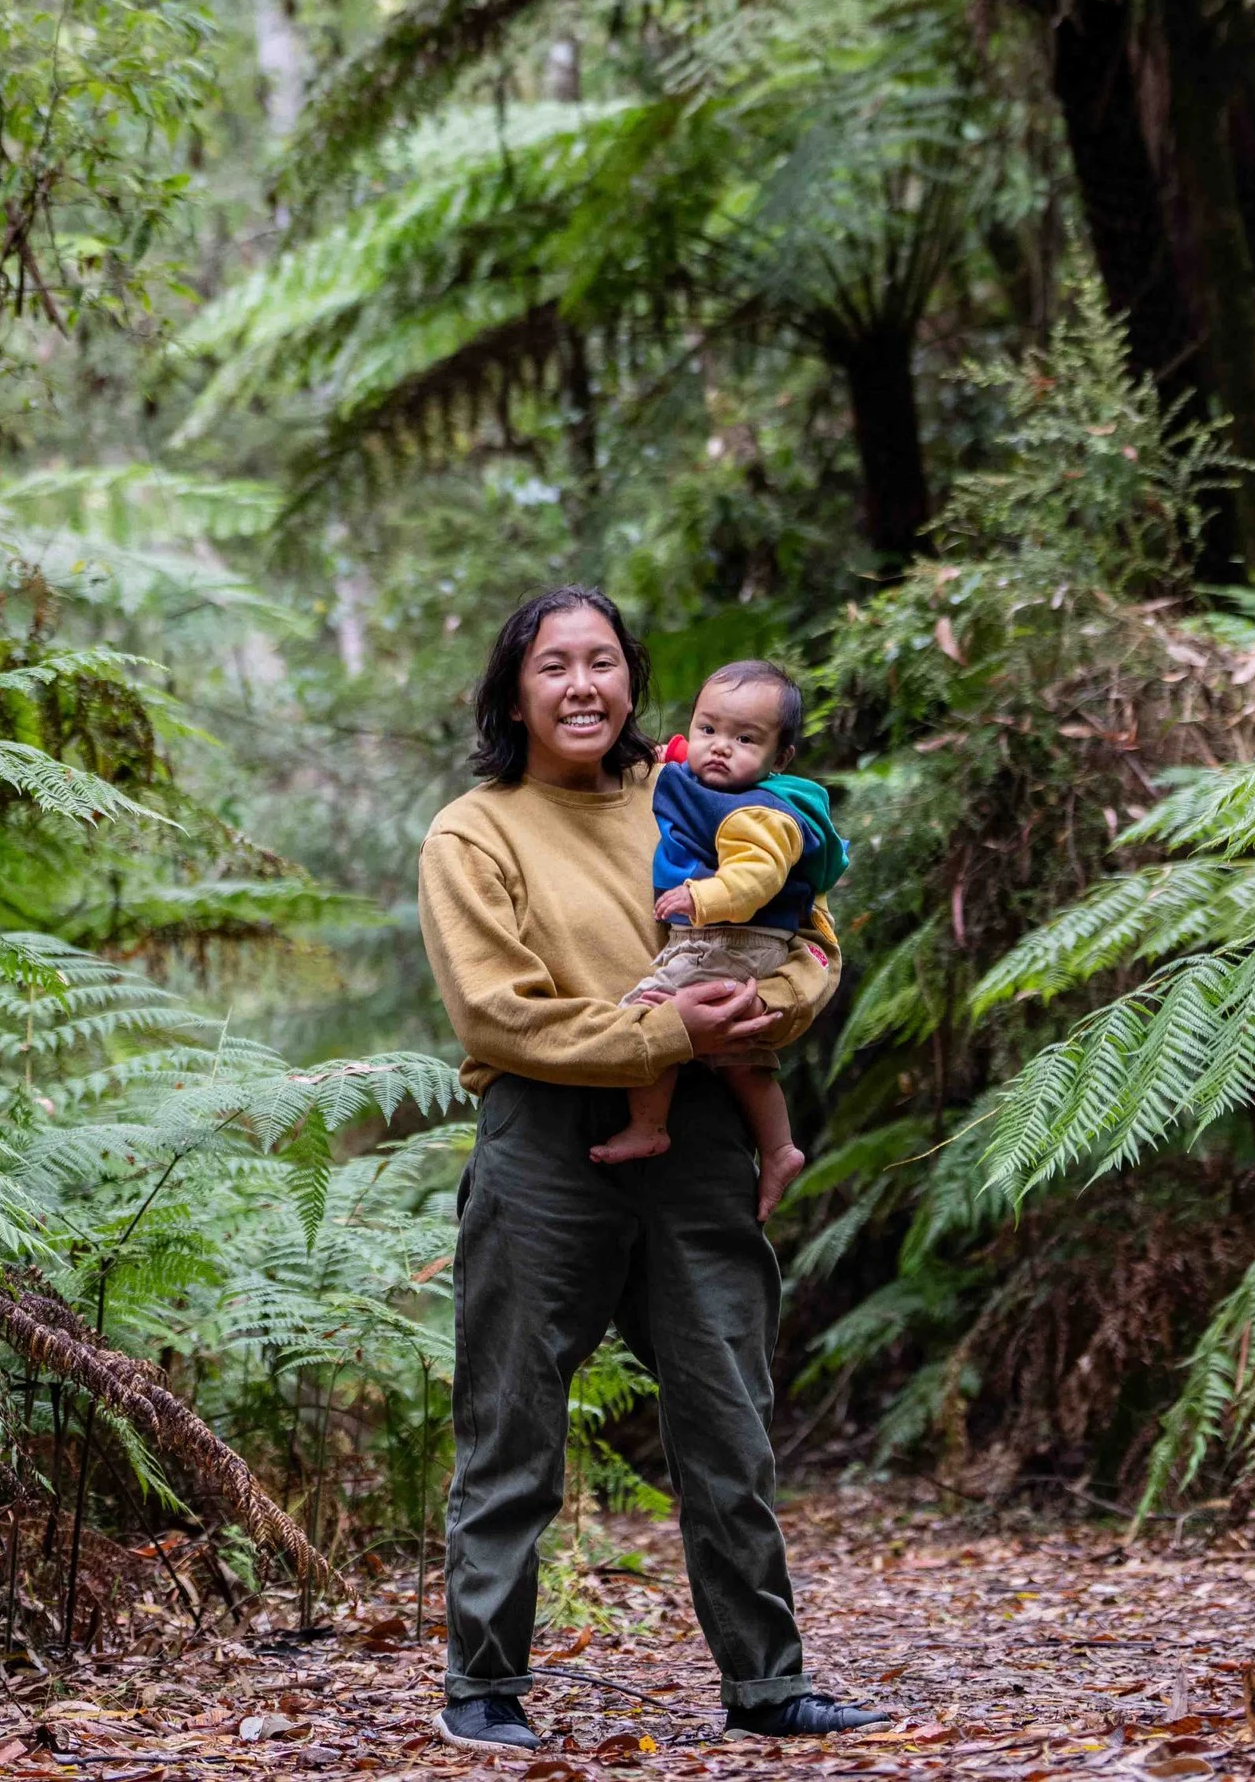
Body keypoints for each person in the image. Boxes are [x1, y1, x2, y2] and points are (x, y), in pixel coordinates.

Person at [417, 586, 883, 1755]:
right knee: (511, 1415)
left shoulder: (699, 785)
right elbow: (495, 1009)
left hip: (703, 1137)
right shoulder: (476, 829)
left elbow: (812, 934)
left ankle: (766, 1682)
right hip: (544, 1143)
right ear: (513, 690)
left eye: (605, 661)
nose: (583, 683)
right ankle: (484, 1685)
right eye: (554, 663)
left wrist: (759, 1009)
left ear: (633, 680)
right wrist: (668, 1036)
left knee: (728, 1415)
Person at [588, 659, 846, 1222]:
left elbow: (757, 876)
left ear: (780, 760)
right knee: (740, 1057)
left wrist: (702, 898)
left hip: (729, 935)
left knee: (649, 1016)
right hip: (738, 941)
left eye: (744, 739)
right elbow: (676, 755)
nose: (719, 748)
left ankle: (649, 1125)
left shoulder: (760, 813)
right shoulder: (699, 776)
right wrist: (665, 753)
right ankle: (780, 1149)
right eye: (709, 730)